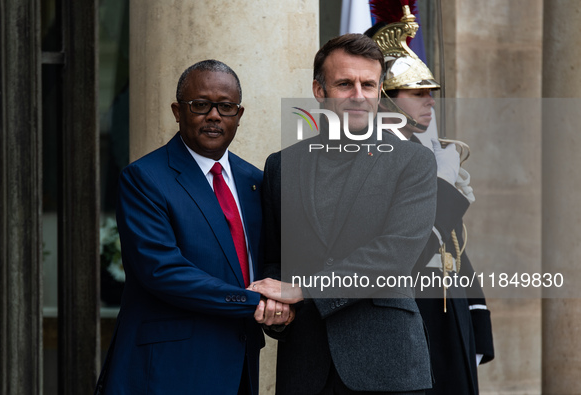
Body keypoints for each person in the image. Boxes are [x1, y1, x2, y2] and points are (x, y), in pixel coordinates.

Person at [250, 34, 437, 394]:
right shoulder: (282, 165)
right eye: (344, 84)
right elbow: (274, 259)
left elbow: (395, 254)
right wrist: (276, 310)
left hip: (386, 362)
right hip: (305, 362)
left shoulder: (412, 161)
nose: (358, 95)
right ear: (319, 91)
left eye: (368, 84)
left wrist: (303, 291)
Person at [94, 59, 293, 395]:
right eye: (200, 105)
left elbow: (267, 261)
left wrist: (285, 304)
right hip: (170, 369)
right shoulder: (145, 178)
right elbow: (162, 271)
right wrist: (253, 302)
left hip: (239, 367)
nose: (214, 115)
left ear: (239, 116)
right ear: (177, 110)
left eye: (226, 107)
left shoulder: (255, 181)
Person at [365, 5, 495, 394]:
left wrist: (477, 318)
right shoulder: (375, 157)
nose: (430, 102)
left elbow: (454, 243)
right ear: (387, 98)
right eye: (418, 93)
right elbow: (410, 244)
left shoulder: (425, 152)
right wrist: (443, 183)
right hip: (408, 312)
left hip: (449, 308)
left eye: (431, 93)